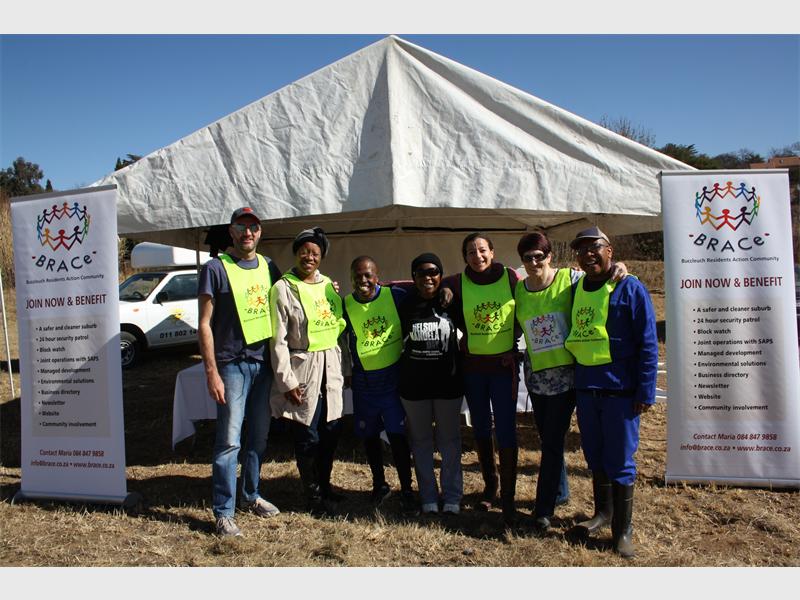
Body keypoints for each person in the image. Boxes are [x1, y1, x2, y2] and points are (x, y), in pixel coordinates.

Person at [514, 232, 627, 533]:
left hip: (567, 378)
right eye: (528, 257)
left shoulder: (570, 279)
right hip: (537, 378)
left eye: (540, 256)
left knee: (552, 442)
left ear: (550, 256)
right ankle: (560, 492)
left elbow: (600, 278)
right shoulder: (520, 289)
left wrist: (621, 268)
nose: (534, 262)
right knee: (548, 439)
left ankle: (543, 509)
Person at [564, 226, 658, 559]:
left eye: (595, 247)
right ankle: (602, 513)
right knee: (595, 455)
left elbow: (648, 342)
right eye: (581, 249)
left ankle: (622, 531)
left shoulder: (630, 287)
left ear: (610, 251)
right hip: (587, 388)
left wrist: (646, 390)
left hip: (620, 390)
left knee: (620, 460)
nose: (588, 254)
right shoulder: (575, 289)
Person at [198, 206, 282, 538]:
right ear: (231, 231)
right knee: (229, 442)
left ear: (260, 232)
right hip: (231, 365)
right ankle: (224, 512)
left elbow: (290, 298)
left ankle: (251, 494)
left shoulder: (269, 267)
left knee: (258, 437)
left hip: (263, 364)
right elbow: (204, 324)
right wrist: (211, 372)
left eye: (253, 227)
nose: (248, 233)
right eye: (242, 227)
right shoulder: (215, 268)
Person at [442, 232, 521, 526]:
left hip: (503, 368)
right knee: (481, 427)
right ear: (464, 257)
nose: (478, 256)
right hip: (474, 368)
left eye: (482, 250)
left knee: (506, 428)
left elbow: (530, 302)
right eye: (471, 252)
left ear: (492, 251)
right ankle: (491, 486)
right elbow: (424, 284)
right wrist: (445, 292)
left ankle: (509, 497)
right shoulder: (457, 282)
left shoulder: (510, 278)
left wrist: (514, 340)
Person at [269, 227, 347, 516]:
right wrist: (286, 381)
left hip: (330, 368)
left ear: (321, 257)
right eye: (304, 251)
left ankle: (325, 486)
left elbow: (338, 325)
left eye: (315, 252)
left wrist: (344, 368)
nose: (309, 257)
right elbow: (277, 340)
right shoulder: (282, 288)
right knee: (307, 435)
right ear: (296, 253)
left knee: (331, 431)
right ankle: (312, 496)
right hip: (303, 371)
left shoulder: (328, 285)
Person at [343, 256, 416, 514]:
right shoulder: (345, 304)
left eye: (368, 275)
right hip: (365, 383)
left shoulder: (394, 296)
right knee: (370, 436)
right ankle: (379, 484)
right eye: (358, 275)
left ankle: (406, 488)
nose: (363, 280)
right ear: (351, 278)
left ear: (377, 276)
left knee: (398, 436)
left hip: (392, 380)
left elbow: (420, 292)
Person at [398, 253, 464, 515]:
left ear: (441, 275)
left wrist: (447, 286)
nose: (428, 277)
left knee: (450, 442)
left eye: (434, 272)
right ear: (413, 277)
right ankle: (428, 496)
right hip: (414, 387)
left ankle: (452, 497)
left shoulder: (451, 301)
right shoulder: (404, 303)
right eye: (421, 272)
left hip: (448, 385)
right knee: (421, 442)